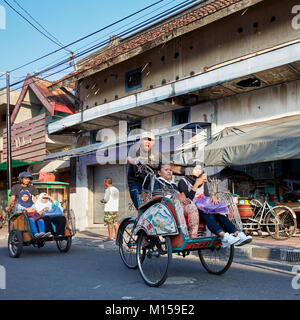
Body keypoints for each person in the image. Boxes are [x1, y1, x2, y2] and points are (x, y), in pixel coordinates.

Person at [178, 159, 252, 247]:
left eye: (200, 169)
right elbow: (187, 200)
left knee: (219, 214)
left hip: (204, 206)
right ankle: (223, 236)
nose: (199, 171)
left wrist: (212, 197)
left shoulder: (203, 181)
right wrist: (196, 185)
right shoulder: (182, 181)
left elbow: (205, 196)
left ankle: (237, 233)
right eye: (196, 169)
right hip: (192, 208)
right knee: (209, 215)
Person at [154, 163, 199, 239]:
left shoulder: (173, 185)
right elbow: (156, 196)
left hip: (178, 205)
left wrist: (185, 200)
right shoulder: (157, 182)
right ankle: (184, 236)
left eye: (170, 170)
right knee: (178, 207)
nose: (169, 172)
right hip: (166, 208)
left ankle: (193, 237)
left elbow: (180, 195)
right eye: (166, 170)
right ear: (159, 172)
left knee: (192, 207)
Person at [127, 131, 161, 210]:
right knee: (142, 208)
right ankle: (140, 221)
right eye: (145, 139)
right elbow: (128, 159)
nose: (148, 142)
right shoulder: (135, 149)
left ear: (153, 142)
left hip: (150, 184)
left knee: (155, 207)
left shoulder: (156, 153)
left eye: (150, 140)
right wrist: (135, 160)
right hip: (136, 184)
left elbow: (164, 164)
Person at [100, 178, 119, 242]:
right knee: (115, 223)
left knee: (109, 223)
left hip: (109, 209)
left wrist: (102, 200)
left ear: (106, 182)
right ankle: (116, 236)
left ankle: (110, 237)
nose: (104, 183)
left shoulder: (108, 190)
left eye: (104, 181)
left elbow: (106, 200)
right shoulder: (116, 189)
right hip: (115, 208)